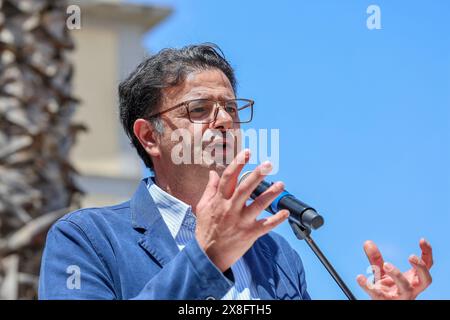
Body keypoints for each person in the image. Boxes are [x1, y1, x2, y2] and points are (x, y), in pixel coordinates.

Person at [38, 44, 433, 300]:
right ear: (149, 137)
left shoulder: (276, 254)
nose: (224, 120)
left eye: (230, 108)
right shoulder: (86, 238)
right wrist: (206, 256)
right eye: (198, 110)